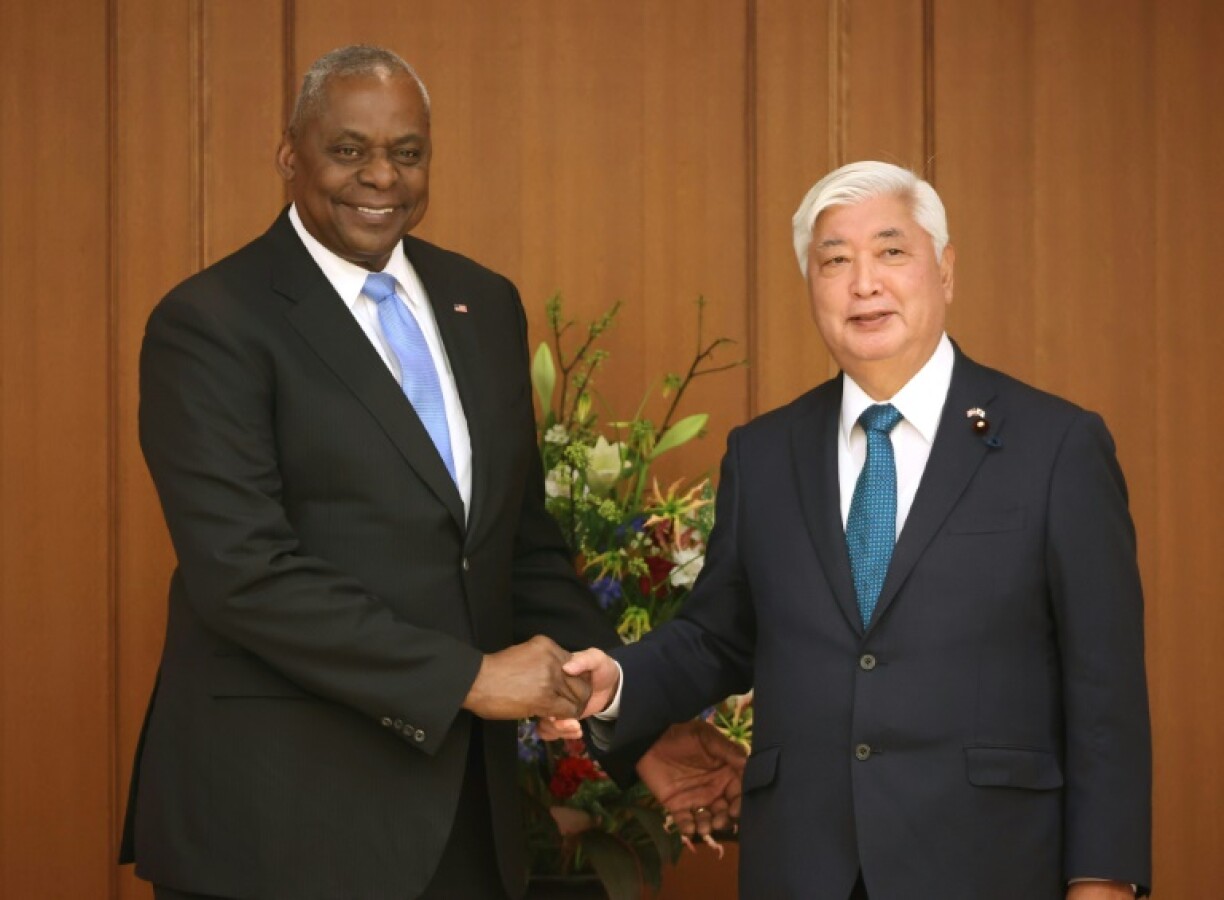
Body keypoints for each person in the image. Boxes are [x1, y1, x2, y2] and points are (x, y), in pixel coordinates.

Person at [119, 45, 740, 900]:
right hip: (276, 823)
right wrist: (471, 680)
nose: (381, 176)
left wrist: (635, 717)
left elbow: (515, 549)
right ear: (290, 155)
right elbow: (243, 573)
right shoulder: (212, 321)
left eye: (406, 153)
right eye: (348, 150)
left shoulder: (481, 303)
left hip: (461, 820)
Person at [558, 161, 1152, 899]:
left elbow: (1105, 690)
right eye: (834, 261)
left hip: (990, 864)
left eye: (891, 252)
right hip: (805, 866)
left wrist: (1103, 880)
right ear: (811, 286)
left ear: (945, 270)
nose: (864, 283)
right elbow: (717, 637)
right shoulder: (764, 453)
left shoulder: (1055, 445)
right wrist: (618, 681)